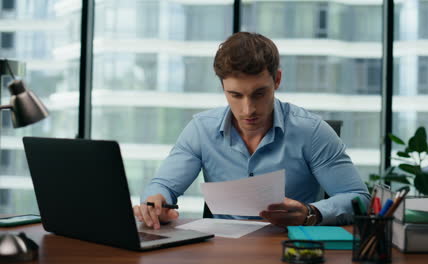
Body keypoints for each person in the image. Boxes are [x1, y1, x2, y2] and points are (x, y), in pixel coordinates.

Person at [133, 32, 370, 229]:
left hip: (289, 247)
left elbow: (358, 198)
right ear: (223, 87)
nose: (248, 110)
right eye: (235, 95)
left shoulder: (312, 131)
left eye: (259, 93)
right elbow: (163, 186)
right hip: (222, 250)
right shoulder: (200, 129)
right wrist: (155, 203)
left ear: (277, 80)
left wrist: (311, 212)